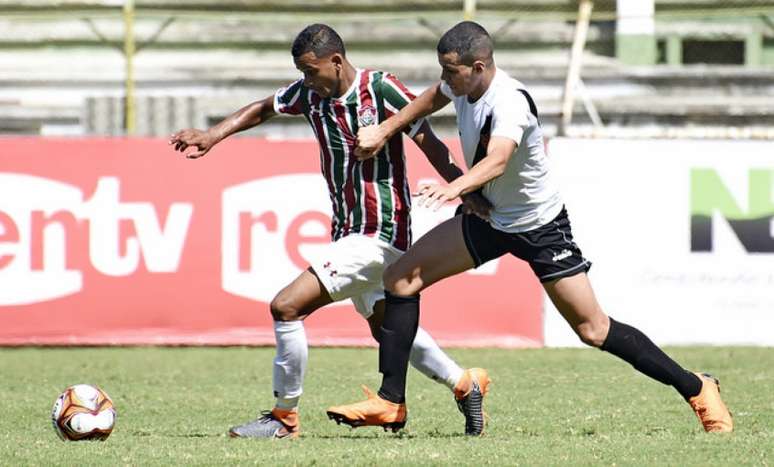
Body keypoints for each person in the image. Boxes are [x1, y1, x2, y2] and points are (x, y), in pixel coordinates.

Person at [326, 21, 733, 434]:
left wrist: (455, 188)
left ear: (479, 67)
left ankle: (697, 387)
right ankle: (391, 401)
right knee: (400, 278)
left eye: (451, 71)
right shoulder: (461, 84)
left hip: (539, 227)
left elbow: (498, 160)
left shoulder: (510, 103)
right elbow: (430, 99)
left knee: (593, 329)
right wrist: (385, 128)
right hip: (489, 217)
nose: (445, 80)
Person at [169, 23, 492, 439]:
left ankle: (283, 417)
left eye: (311, 71)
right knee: (386, 328)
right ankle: (465, 384)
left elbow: (427, 138)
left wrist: (462, 189)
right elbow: (265, 107)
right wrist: (213, 134)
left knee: (286, 306)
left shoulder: (380, 89)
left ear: (336, 62)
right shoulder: (310, 93)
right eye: (302, 73)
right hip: (347, 232)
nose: (306, 81)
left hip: (381, 232)